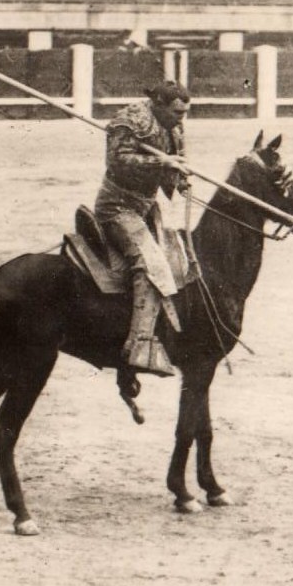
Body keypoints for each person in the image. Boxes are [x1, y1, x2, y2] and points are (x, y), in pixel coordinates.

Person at [94, 80, 192, 377]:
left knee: (180, 259)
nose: (181, 119)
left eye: (185, 113)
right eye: (176, 112)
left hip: (147, 206)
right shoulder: (129, 120)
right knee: (152, 264)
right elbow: (117, 160)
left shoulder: (174, 126)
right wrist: (162, 162)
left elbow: (172, 165)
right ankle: (140, 345)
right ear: (159, 104)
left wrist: (179, 179)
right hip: (117, 207)